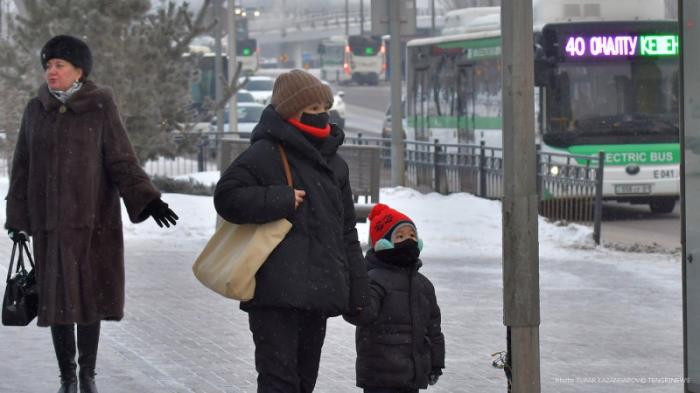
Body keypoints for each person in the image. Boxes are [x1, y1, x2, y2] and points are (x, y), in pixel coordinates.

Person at [5, 35, 179, 393]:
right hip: (49, 226)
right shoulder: (35, 109)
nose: (51, 72)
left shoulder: (100, 107)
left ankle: (88, 376)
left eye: (59, 65)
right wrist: (18, 220)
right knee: (56, 302)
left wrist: (148, 199)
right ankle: (67, 378)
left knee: (89, 300)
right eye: (48, 65)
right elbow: (21, 167)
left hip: (93, 226)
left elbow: (121, 159)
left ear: (79, 71)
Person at [214, 69, 368, 393]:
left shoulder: (335, 164)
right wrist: (280, 198)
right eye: (311, 110)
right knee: (278, 382)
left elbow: (346, 231)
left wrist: (358, 290)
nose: (321, 116)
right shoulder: (266, 152)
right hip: (275, 294)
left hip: (320, 293)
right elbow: (226, 197)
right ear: (290, 111)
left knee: (304, 382)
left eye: (323, 108)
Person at [345, 203, 445, 393]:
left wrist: (436, 362)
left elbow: (434, 329)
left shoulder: (423, 285)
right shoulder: (375, 279)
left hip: (412, 376)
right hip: (380, 376)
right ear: (383, 243)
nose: (408, 240)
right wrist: (354, 298)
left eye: (412, 236)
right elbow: (363, 313)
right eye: (399, 236)